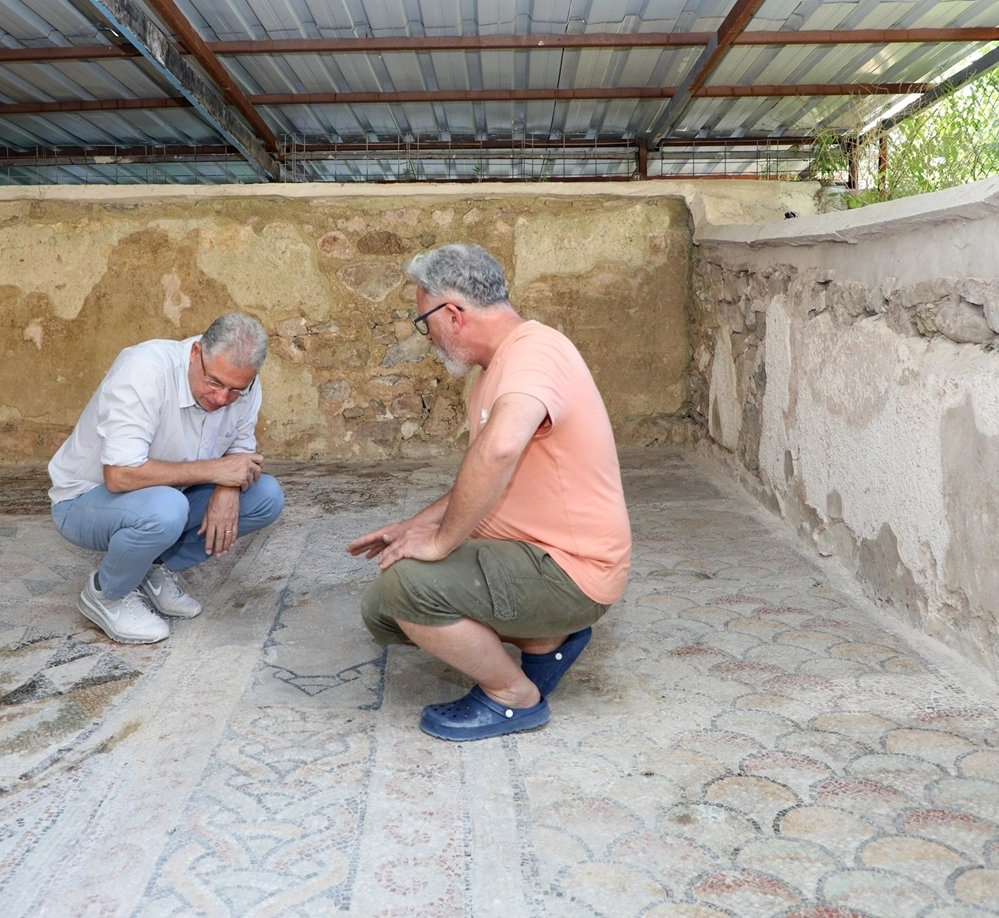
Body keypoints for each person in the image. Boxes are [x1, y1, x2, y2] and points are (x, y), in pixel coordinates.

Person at [348, 244, 630, 741]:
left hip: (569, 570)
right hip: (533, 556)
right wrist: (417, 526)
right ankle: (545, 639)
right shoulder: (500, 365)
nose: (428, 336)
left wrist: (439, 543)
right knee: (384, 608)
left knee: (407, 587)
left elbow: (498, 451)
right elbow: (486, 474)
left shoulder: (534, 353)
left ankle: (512, 697)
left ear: (452, 314)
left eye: (424, 323)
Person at [49, 313, 285, 644]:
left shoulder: (244, 385)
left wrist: (228, 488)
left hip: (169, 494)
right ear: (195, 353)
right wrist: (214, 471)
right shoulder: (144, 370)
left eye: (235, 390)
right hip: (85, 502)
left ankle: (150, 568)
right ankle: (107, 593)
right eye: (214, 382)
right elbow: (119, 475)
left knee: (266, 497)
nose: (221, 399)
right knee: (167, 508)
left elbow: (242, 458)